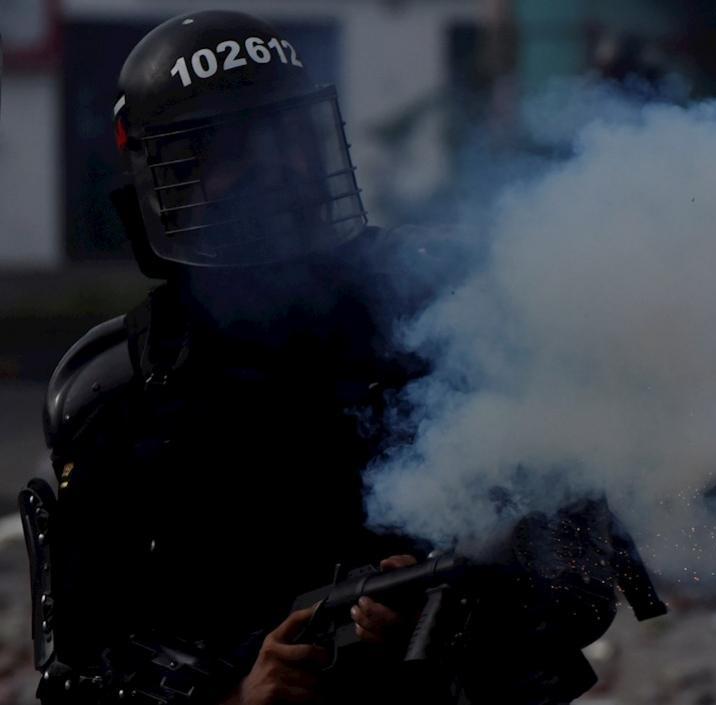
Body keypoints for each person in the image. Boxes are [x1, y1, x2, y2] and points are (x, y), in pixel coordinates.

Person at [24, 10, 444, 704]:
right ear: (166, 180)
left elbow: (573, 589)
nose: (272, 173)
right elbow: (78, 674)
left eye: (287, 139)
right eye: (227, 150)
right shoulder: (118, 391)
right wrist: (240, 696)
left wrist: (444, 606)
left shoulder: (429, 312)